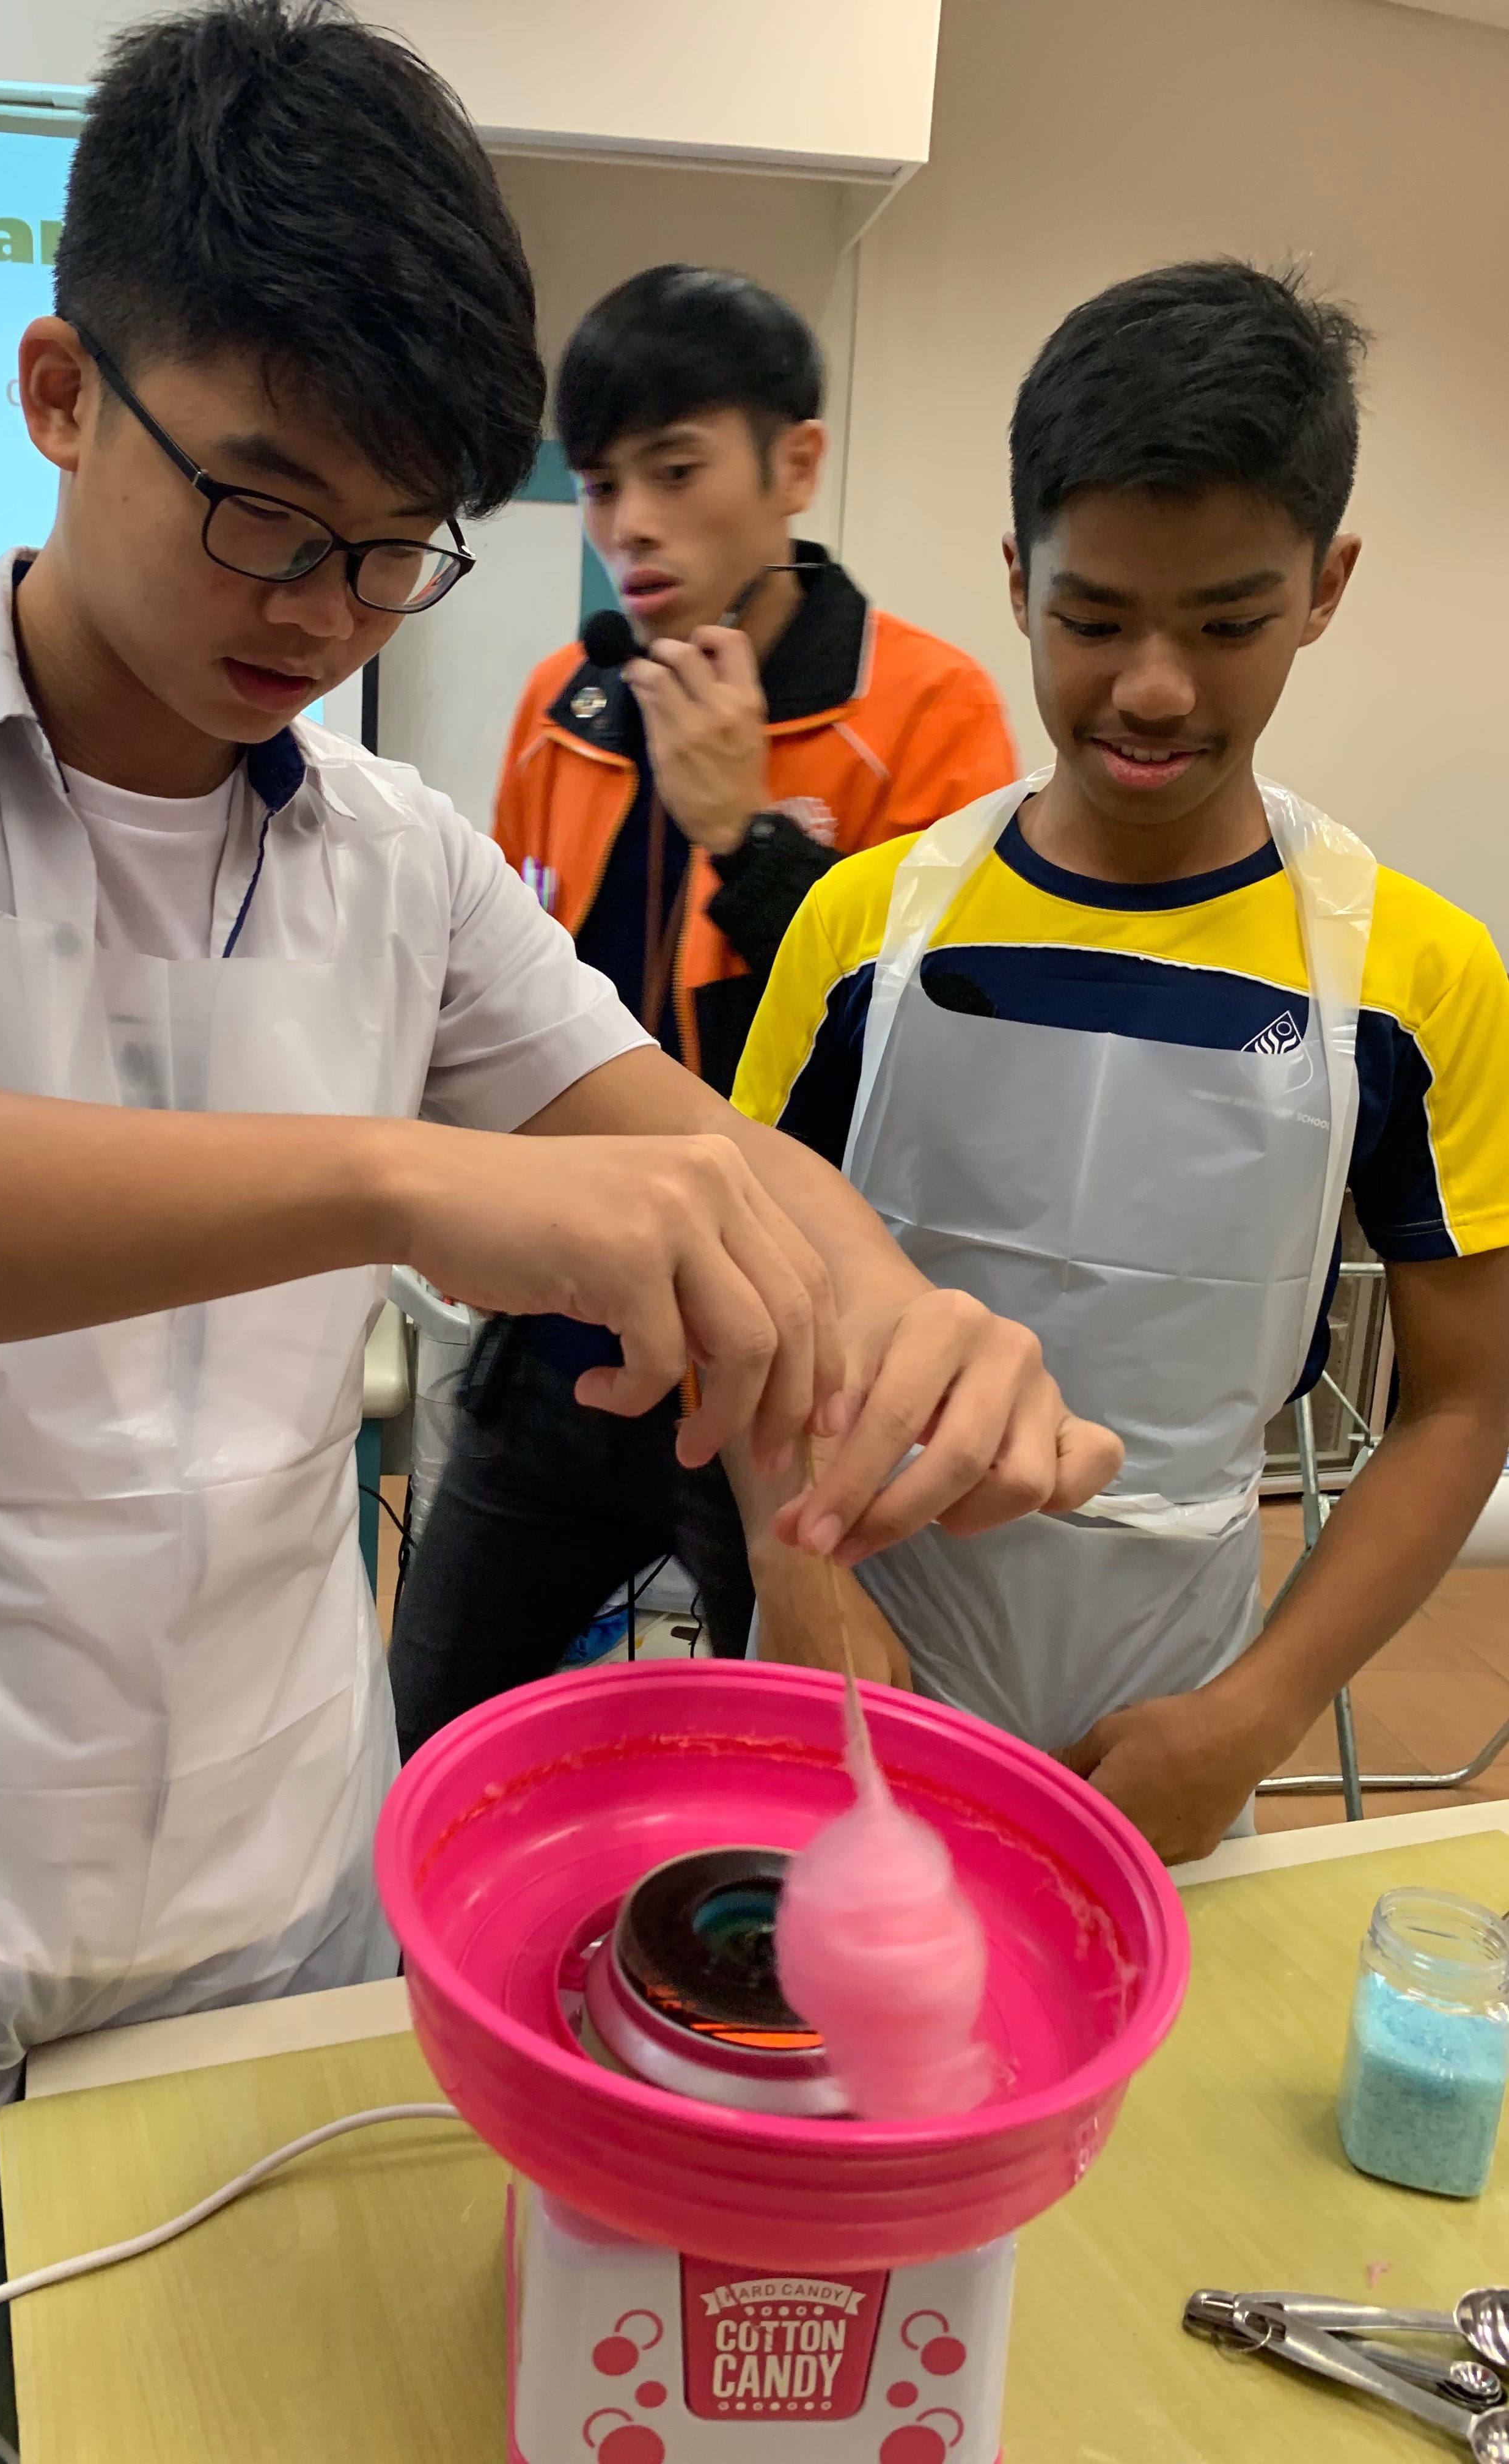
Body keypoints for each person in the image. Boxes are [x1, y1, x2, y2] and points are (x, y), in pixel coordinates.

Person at [0, 0, 1118, 2445]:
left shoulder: (393, 861)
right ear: (58, 393)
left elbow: (686, 1143)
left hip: (259, 1883)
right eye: (262, 509)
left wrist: (892, 1311)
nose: (326, 611)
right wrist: (395, 1173)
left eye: (395, 549)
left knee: (265, 2405)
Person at [735, 260, 1509, 1866]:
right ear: (1019, 579)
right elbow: (748, 1293)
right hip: (856, 1636)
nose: (1154, 689)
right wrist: (793, 1571)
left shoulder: (1416, 978)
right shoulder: (866, 925)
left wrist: (1256, 1716)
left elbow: (1466, 1401)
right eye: (1094, 620)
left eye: (1228, 623)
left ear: (1326, 587)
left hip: (1176, 1686)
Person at [387, 267, 1016, 1754]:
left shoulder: (926, 712)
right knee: (425, 1734)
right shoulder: (566, 702)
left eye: (678, 473)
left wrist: (747, 836)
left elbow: (931, 1059)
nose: (630, 528)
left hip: (789, 1371)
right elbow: (510, 1013)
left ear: (795, 464)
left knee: (791, 1767)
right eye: (606, 485)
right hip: (566, 1338)